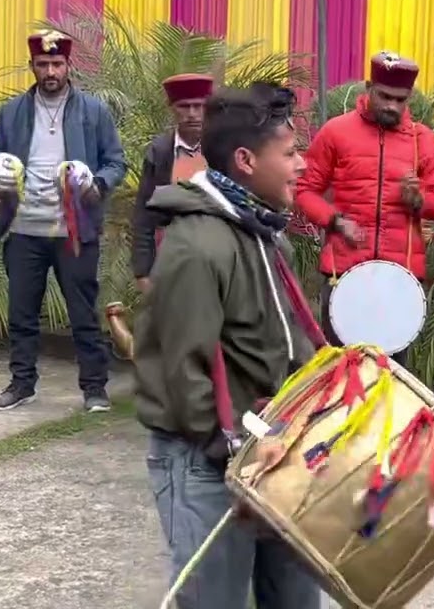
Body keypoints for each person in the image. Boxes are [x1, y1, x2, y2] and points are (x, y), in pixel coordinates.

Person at [131, 86, 322, 609]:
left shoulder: (264, 235)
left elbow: (284, 342)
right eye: (289, 153)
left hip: (268, 453)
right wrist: (232, 455)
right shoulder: (198, 245)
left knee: (299, 597)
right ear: (245, 161)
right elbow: (182, 370)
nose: (302, 165)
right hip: (208, 463)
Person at [0, 30, 127, 413]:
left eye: (57, 64)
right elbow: (2, 161)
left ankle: (95, 389)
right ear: (32, 66)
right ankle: (22, 384)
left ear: (68, 65)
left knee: (83, 314)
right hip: (23, 229)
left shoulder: (93, 111)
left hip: (74, 231)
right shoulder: (13, 111)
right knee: (21, 314)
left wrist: (96, 185)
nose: (50, 71)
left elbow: (116, 163)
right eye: (43, 64)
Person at [294, 51, 434, 366]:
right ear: (368, 87)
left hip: (400, 280)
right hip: (343, 272)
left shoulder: (423, 141)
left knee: (392, 375)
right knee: (340, 370)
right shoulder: (336, 132)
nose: (392, 106)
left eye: (400, 99)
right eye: (385, 96)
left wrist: (418, 200)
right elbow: (304, 191)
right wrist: (336, 221)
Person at [130, 73, 214, 293]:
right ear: (172, 108)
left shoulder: (222, 150)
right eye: (184, 107)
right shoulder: (160, 152)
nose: (192, 114)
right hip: (169, 258)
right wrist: (143, 272)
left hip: (217, 258)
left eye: (198, 106)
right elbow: (143, 216)